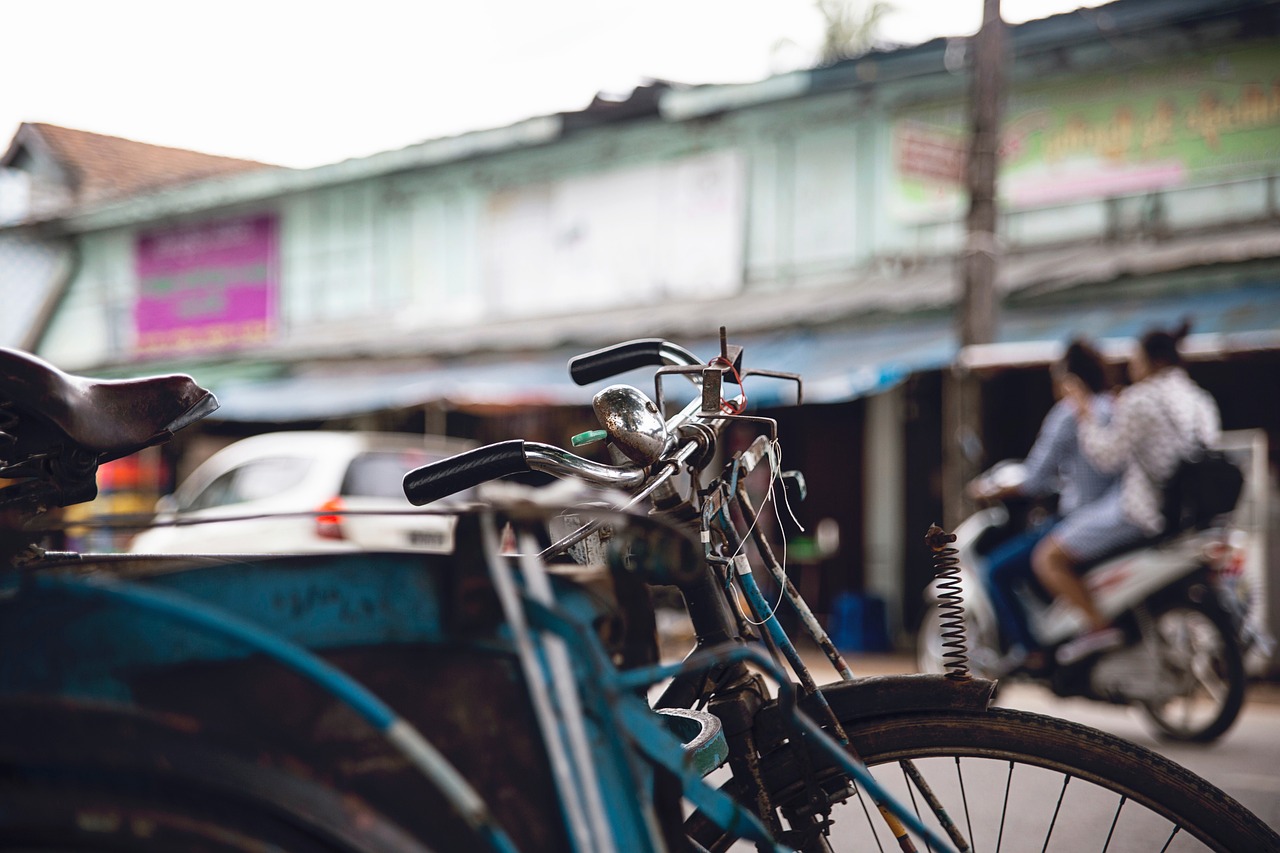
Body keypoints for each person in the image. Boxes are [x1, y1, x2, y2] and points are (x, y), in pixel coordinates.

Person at [1036, 320, 1221, 664]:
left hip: (1142, 510)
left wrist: (1085, 411)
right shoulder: (1201, 400)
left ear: (1155, 361)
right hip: (1189, 516)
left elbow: (1107, 458)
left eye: (1136, 358)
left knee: (1047, 557)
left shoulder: (1139, 399)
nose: (1131, 366)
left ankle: (1097, 626)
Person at [970, 339, 1117, 674]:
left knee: (996, 569)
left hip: (1082, 520)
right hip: (1113, 515)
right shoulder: (1114, 406)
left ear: (1069, 378)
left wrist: (991, 488)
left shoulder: (1070, 413)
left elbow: (1034, 478)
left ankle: (1031, 650)